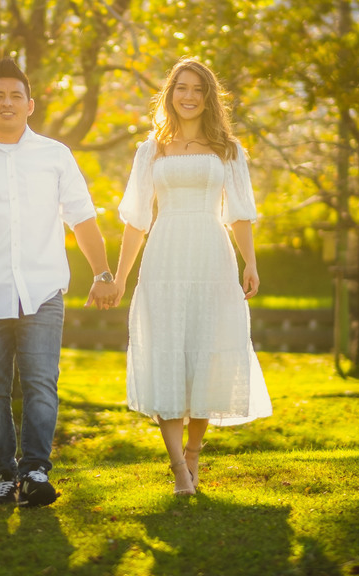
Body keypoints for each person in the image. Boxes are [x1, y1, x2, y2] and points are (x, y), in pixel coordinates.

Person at [0, 57, 120, 508]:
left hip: (42, 293)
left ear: (30, 104)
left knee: (41, 384)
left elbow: (83, 218)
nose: (7, 102)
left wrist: (103, 273)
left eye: (15, 95)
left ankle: (35, 470)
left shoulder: (55, 156)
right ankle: (3, 474)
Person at [113, 57, 272, 495]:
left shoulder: (229, 150)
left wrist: (251, 262)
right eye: (181, 87)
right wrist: (122, 277)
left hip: (211, 255)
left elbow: (239, 214)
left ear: (208, 97)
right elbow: (136, 219)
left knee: (206, 352)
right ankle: (178, 468)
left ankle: (195, 454)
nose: (188, 96)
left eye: (197, 89)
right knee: (166, 351)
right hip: (165, 256)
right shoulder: (150, 150)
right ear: (170, 94)